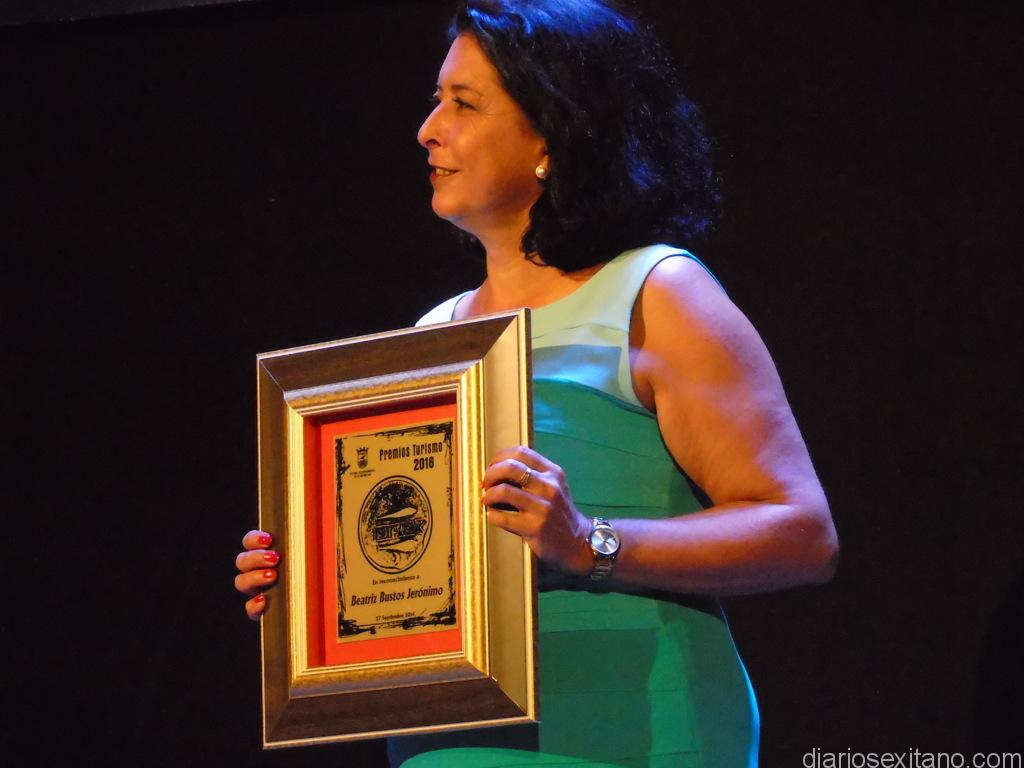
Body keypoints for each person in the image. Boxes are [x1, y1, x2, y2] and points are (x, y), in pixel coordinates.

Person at [235, 1, 839, 765]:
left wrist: (589, 542)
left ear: (551, 133)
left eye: (463, 104)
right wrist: (317, 580)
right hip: (445, 737)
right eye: (435, 100)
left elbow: (802, 534)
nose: (428, 130)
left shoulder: (655, 293)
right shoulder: (433, 333)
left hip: (631, 726)